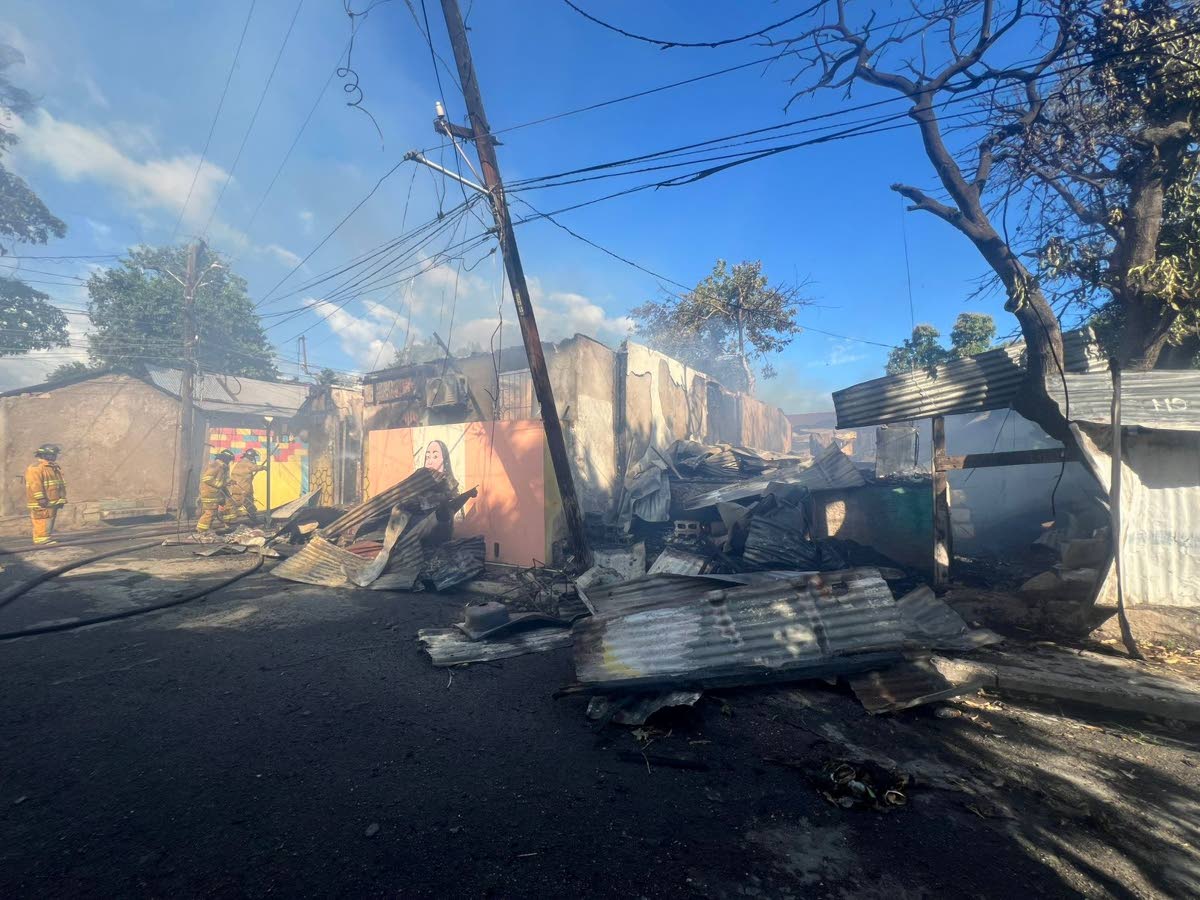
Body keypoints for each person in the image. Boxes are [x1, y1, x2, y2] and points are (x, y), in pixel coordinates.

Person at [25, 444, 66, 545]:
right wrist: (40, 498)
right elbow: (35, 484)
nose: (55, 456)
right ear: (44, 455)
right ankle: (41, 539)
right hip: (41, 501)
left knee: (49, 519)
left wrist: (61, 499)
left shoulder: (52, 467)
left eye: (55, 454)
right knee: (41, 519)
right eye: (52, 454)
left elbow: (58, 485)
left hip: (51, 501)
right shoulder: (36, 468)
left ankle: (46, 538)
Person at [197, 448, 235, 534]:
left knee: (215, 511)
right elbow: (207, 479)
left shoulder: (221, 467)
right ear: (225, 459)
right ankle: (201, 531)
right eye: (229, 460)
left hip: (214, 493)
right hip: (209, 494)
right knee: (209, 513)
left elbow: (219, 480)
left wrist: (229, 482)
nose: (229, 462)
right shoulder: (216, 465)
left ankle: (209, 528)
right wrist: (220, 485)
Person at [229, 448, 267, 524]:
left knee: (248, 504)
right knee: (238, 504)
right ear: (251, 456)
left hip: (237, 487)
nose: (253, 458)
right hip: (243, 488)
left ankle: (253, 519)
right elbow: (255, 467)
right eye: (253, 457)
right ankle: (230, 521)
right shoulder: (247, 463)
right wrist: (263, 467)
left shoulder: (240, 463)